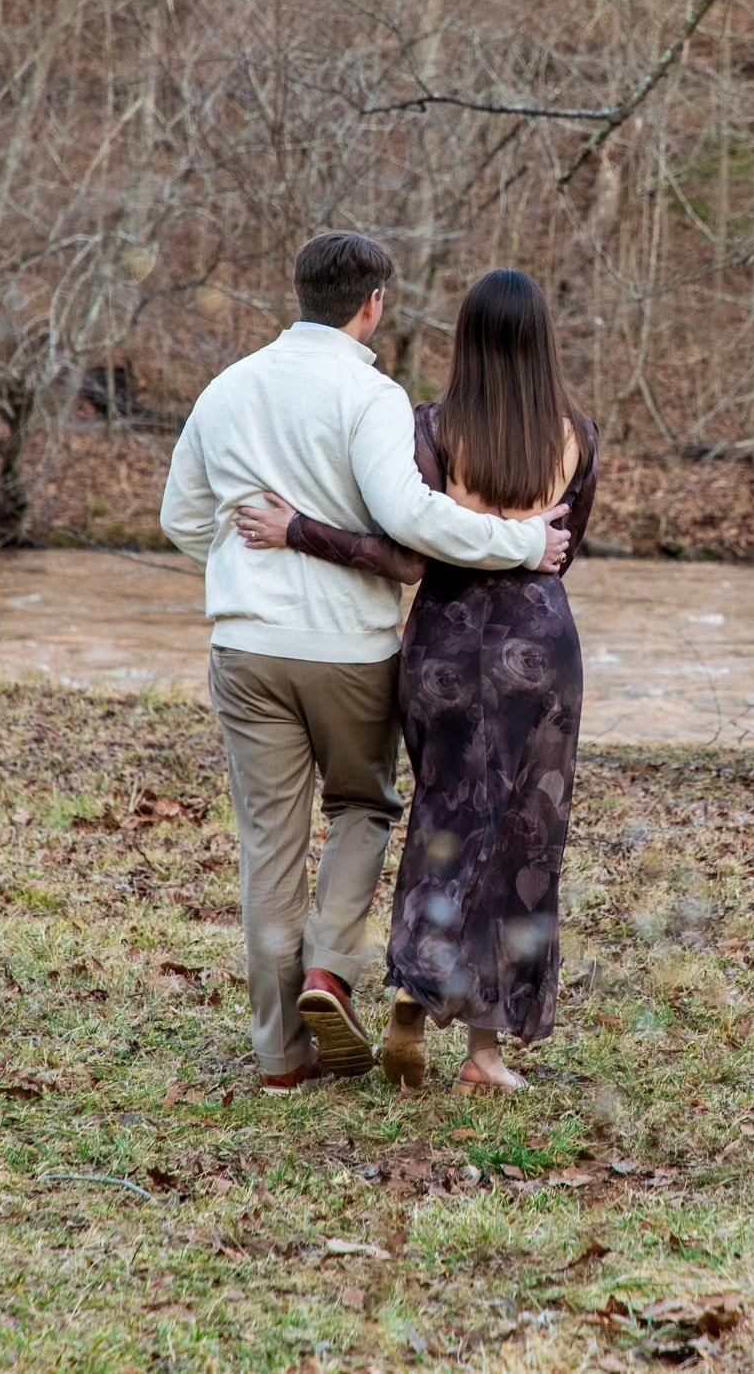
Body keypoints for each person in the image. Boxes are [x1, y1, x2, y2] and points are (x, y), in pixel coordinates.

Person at [160, 234, 572, 1094]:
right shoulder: (374, 395)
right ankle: (333, 974)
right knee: (364, 805)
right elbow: (412, 527)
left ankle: (283, 1056)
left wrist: (245, 566)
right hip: (353, 647)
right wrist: (523, 540)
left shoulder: (226, 388)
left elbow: (180, 518)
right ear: (373, 302)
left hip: (248, 643)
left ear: (299, 291)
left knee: (269, 846)